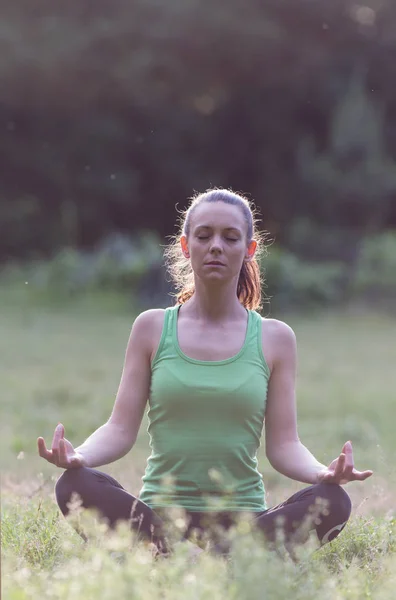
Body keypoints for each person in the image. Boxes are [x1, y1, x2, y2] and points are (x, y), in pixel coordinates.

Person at [37, 188, 373, 558]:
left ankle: (194, 557)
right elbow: (119, 429)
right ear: (185, 245)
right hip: (160, 519)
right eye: (204, 235)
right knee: (74, 485)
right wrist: (79, 456)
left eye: (230, 237)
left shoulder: (276, 338)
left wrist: (322, 474)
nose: (216, 246)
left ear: (249, 249)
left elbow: (284, 446)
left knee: (333, 501)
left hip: (243, 521)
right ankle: (202, 556)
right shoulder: (151, 328)